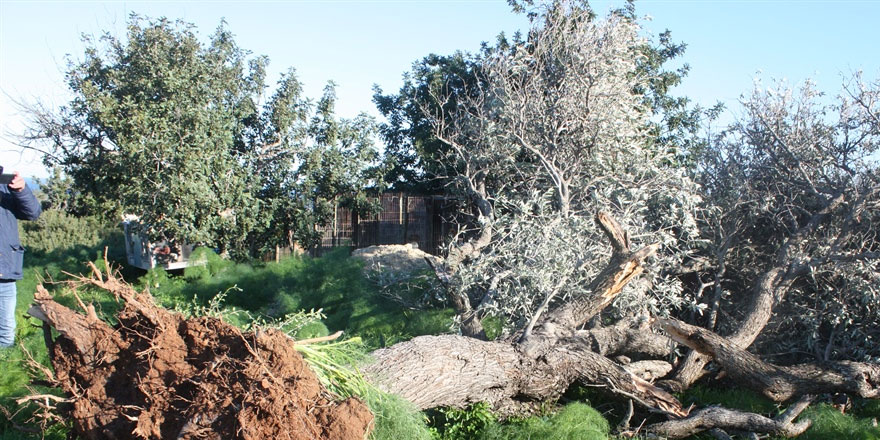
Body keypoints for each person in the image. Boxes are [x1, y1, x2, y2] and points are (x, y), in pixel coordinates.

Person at [0, 170, 41, 348]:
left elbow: (32, 213)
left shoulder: (5, 187)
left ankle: (5, 368)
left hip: (4, 272)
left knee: (6, 329)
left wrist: (21, 190)